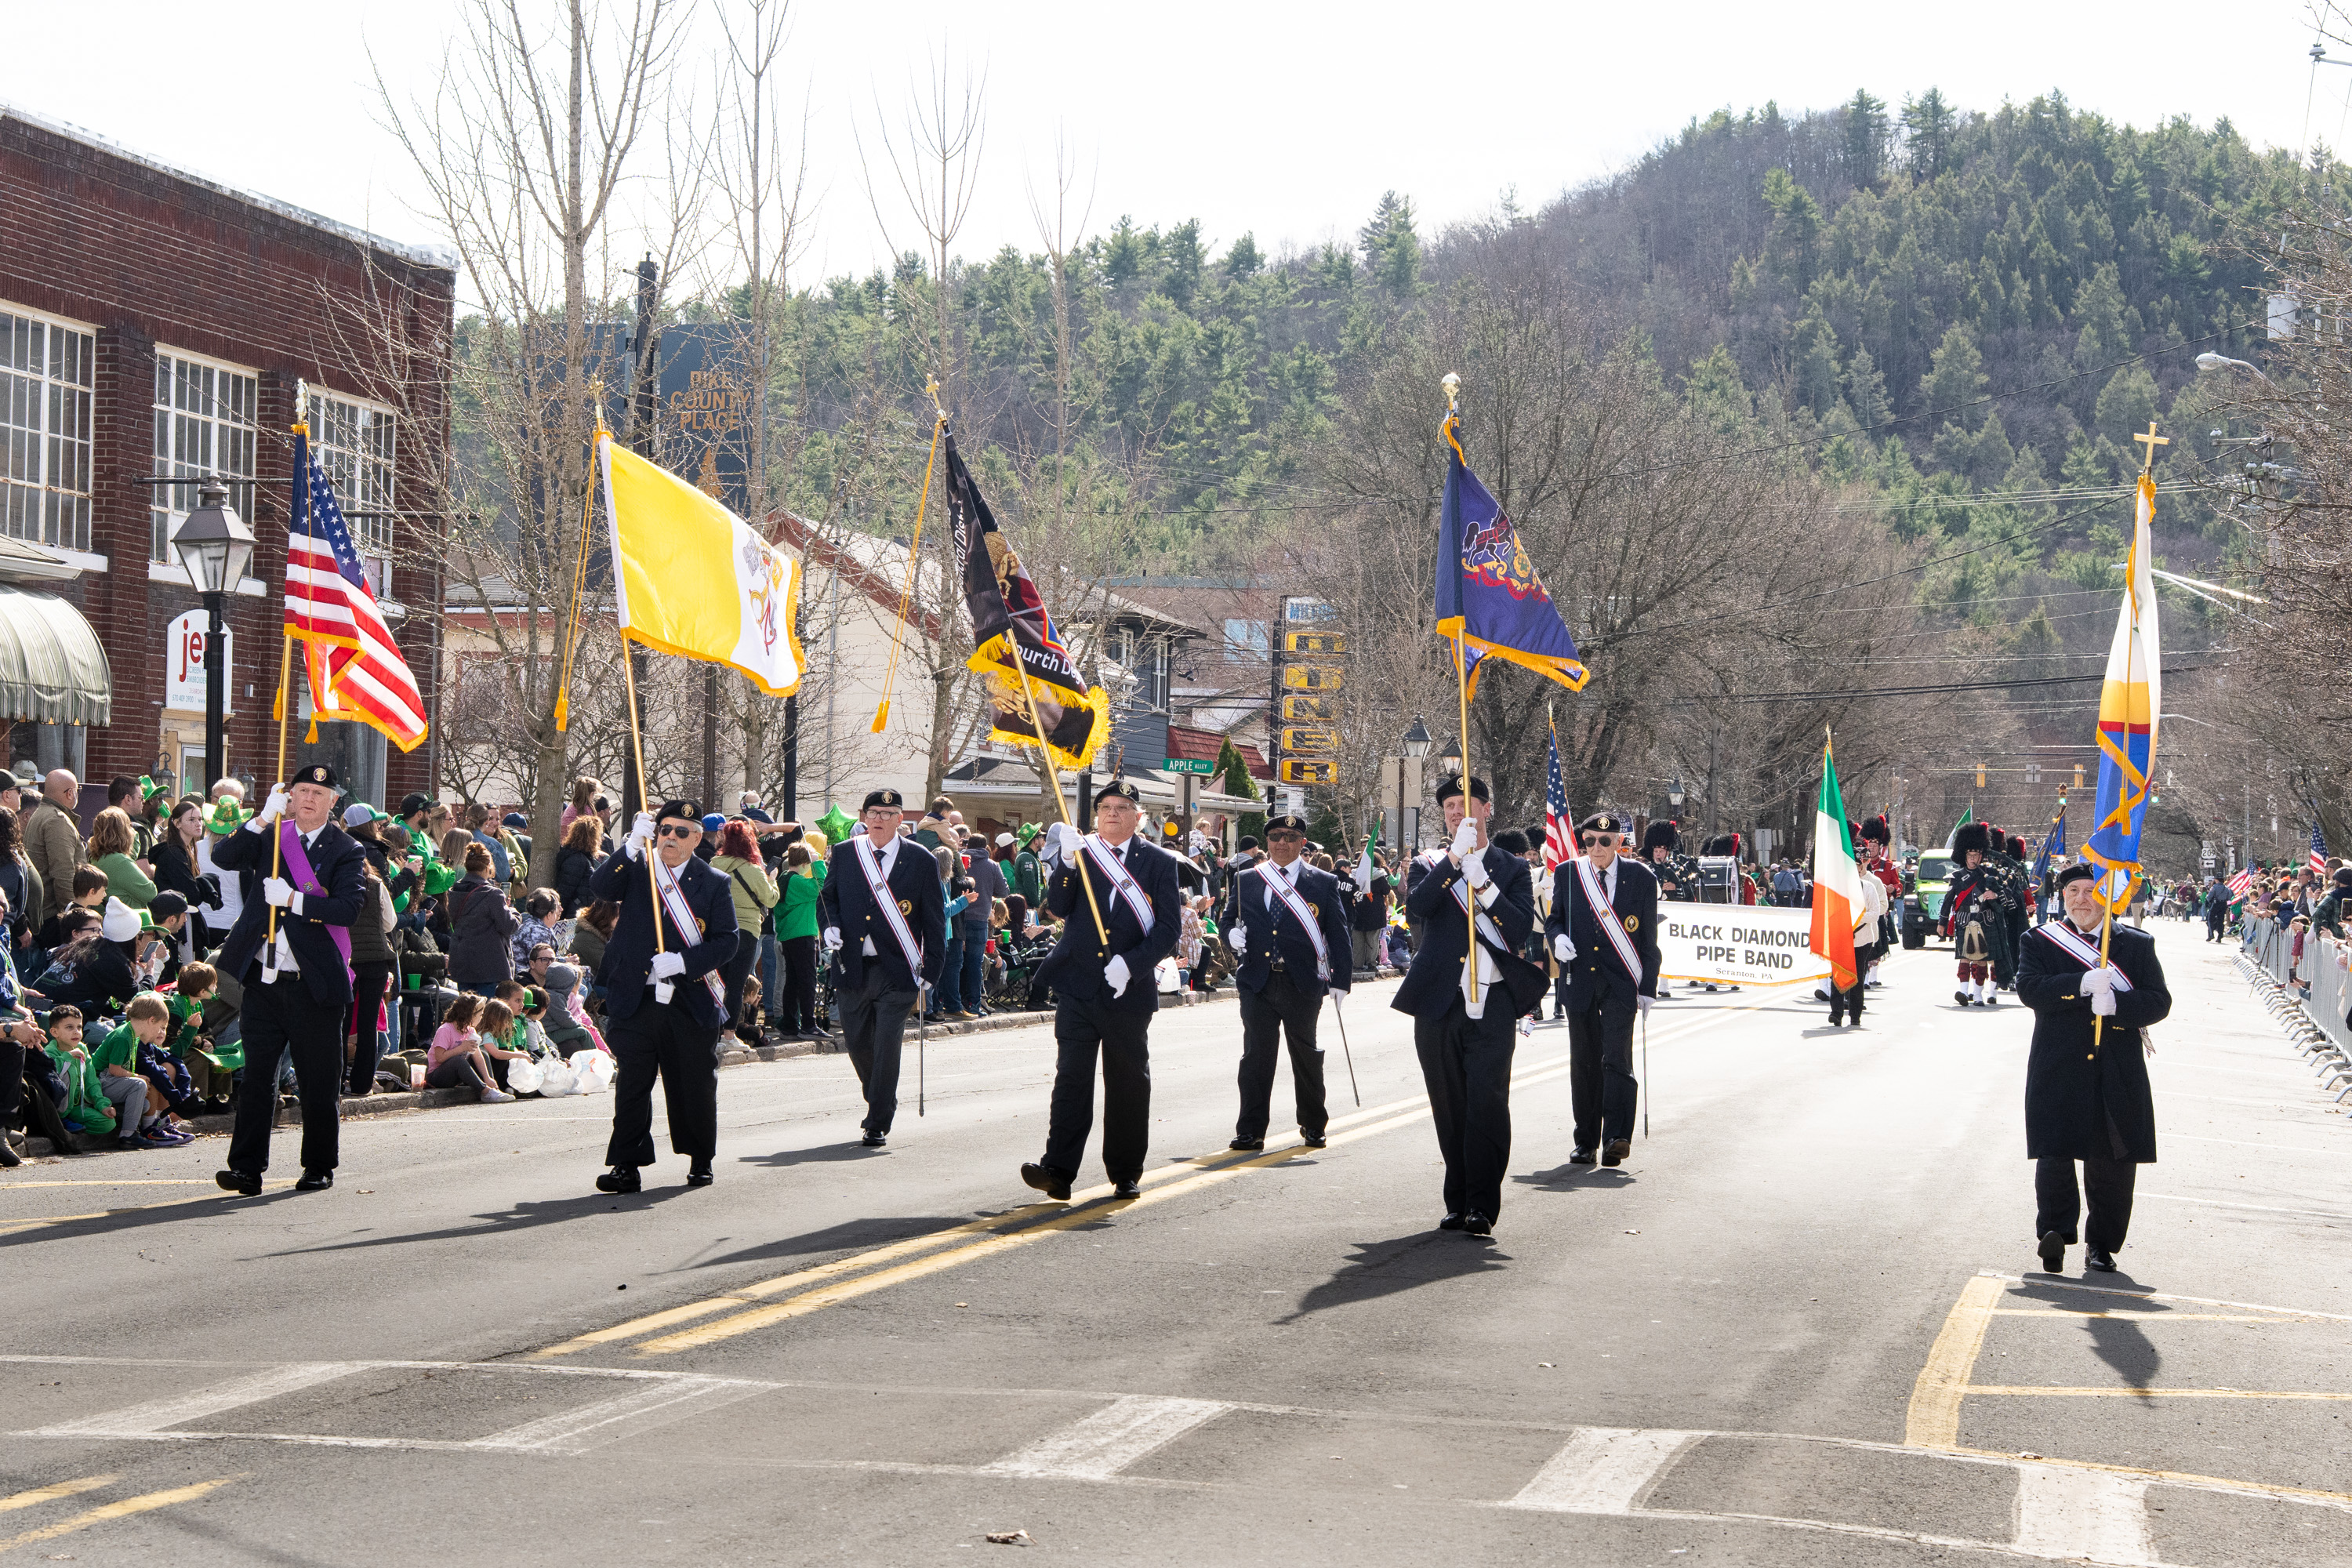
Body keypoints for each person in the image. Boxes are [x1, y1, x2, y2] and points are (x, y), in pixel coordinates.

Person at [1019, 782, 1184, 1201]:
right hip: (1077, 985)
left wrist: (1131, 964)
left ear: (1139, 817)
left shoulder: (1159, 862)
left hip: (1127, 990)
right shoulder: (1082, 852)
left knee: (1127, 1082)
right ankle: (1058, 1169)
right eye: (1106, 807)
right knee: (1071, 1080)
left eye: (1123, 807)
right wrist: (1066, 863)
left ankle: (1125, 1172)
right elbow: (1058, 907)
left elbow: (1169, 928)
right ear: (1096, 815)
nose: (1112, 813)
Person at [209, 763, 368, 1195]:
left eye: (319, 793)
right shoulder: (271, 836)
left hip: (312, 983)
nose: (309, 799)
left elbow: (348, 909)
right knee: (257, 1078)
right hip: (263, 979)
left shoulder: (347, 850)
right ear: (289, 796)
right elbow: (223, 857)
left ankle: (318, 1164)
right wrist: (260, 818)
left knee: (318, 1081)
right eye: (302, 791)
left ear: (333, 802)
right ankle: (246, 1168)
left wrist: (295, 900)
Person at [1392, 776, 1540, 1235]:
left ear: (1486, 809)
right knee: (1448, 1103)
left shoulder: (1512, 868)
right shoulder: (1429, 863)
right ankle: (1456, 1200)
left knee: (1487, 1102)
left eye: (1466, 803)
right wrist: (1455, 860)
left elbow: (1519, 929)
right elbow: (1418, 908)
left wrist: (1485, 886)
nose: (1457, 812)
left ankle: (1482, 1203)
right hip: (1440, 1000)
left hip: (1492, 1000)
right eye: (1450, 806)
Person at [2016, 863, 2172, 1273]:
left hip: (2116, 1065)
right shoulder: (2039, 940)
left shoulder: (2136, 944)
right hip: (2058, 1063)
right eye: (2074, 891)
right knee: (2055, 1151)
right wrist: (2079, 985)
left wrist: (2119, 1005)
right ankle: (2054, 1233)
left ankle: (2102, 1244)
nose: (2082, 900)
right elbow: (2029, 989)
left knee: (2113, 1160)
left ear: (2108, 897)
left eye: (2091, 891)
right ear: (2062, 896)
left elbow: (2159, 1001)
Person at [589, 798, 739, 1192]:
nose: (670, 837)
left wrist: (685, 962)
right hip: (636, 996)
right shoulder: (640, 867)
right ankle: (627, 1165)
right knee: (632, 1085)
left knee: (693, 1084)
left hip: (688, 1000)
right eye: (664, 829)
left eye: (681, 832)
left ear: (697, 839)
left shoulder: (714, 882)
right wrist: (629, 848)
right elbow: (600, 888)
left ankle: (700, 1159)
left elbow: (727, 941)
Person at [818, 789, 946, 1147]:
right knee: (858, 1043)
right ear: (864, 816)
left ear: (900, 819)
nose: (878, 819)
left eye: (887, 814)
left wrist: (932, 969)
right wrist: (829, 926)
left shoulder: (921, 859)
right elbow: (827, 898)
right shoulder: (847, 852)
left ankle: (877, 1121)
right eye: (873, 812)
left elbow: (934, 920)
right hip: (853, 966)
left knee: (888, 1044)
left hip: (898, 969)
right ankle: (881, 1098)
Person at [1219, 811, 1352, 1152]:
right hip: (1258, 981)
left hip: (1302, 982)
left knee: (1306, 1056)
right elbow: (1227, 919)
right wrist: (1230, 935)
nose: (1282, 843)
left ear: (1302, 843)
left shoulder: (1322, 882)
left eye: (1291, 838)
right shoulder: (1247, 879)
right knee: (1256, 1058)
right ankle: (1250, 1130)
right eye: (1276, 836)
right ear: (1267, 841)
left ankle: (1313, 1124)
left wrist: (1341, 980)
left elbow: (1338, 934)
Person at [1548, 810, 1661, 1170]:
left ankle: (1616, 1138)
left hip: (1620, 982)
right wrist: (1557, 939)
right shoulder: (1568, 873)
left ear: (1619, 842)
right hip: (1579, 979)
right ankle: (1585, 1142)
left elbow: (1648, 939)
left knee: (1617, 1059)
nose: (1596, 847)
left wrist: (1648, 986)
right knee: (1584, 1062)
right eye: (1590, 841)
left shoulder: (1641, 877)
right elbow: (1554, 920)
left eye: (1605, 840)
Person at [710, 821, 779, 1046]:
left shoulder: (714, 864)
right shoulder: (753, 869)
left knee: (717, 985)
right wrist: (772, 879)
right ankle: (729, 1035)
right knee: (736, 986)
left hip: (719, 930)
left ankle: (713, 1035)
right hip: (747, 931)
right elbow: (771, 899)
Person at [1828, 821, 1890, 1028]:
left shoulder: (1870, 886)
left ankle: (1855, 1015)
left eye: (1856, 866)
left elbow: (1875, 912)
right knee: (1837, 976)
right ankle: (1836, 1013)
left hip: (1862, 938)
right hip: (1841, 936)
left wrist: (1855, 918)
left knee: (1857, 977)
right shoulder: (1837, 888)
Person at [1941, 824, 2008, 1006]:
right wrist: (1942, 922)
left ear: (1981, 855)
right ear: (1964, 856)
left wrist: (1994, 895)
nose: (1972, 859)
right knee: (1964, 956)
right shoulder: (1957, 876)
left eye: (1976, 855)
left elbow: (2006, 895)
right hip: (1964, 920)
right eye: (1969, 855)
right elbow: (1948, 900)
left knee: (1982, 960)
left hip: (1986, 920)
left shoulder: (1991, 874)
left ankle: (1978, 995)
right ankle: (1963, 992)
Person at [24, 769, 85, 927]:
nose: (77, 794)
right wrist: (75, 918)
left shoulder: (40, 813)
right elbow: (64, 874)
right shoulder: (57, 820)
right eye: (77, 790)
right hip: (53, 916)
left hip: (43, 913)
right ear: (70, 793)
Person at [775, 843, 822, 1040]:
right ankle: (809, 1025)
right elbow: (822, 886)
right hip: (802, 934)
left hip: (789, 934)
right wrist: (818, 862)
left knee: (793, 982)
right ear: (805, 863)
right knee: (807, 981)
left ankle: (790, 1024)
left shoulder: (784, 878)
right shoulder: (796, 881)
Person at [554, 815, 604, 917]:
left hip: (578, 912)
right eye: (599, 835)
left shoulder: (581, 857)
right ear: (591, 837)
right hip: (574, 915)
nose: (601, 839)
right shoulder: (577, 860)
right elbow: (565, 893)